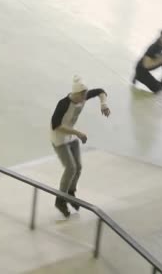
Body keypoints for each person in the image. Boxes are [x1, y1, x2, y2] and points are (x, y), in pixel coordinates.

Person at [50, 75, 110, 218]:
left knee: (78, 168)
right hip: (59, 138)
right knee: (70, 168)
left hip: (71, 136)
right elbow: (56, 125)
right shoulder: (63, 104)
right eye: (82, 96)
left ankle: (70, 193)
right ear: (75, 94)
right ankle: (60, 200)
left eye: (85, 95)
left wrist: (104, 103)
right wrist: (78, 133)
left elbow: (101, 91)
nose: (84, 98)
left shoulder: (82, 97)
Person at [132, 28, 162, 93]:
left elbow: (159, 55)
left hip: (147, 65)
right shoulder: (156, 46)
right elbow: (155, 57)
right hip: (142, 68)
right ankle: (138, 76)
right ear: (160, 36)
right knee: (157, 89)